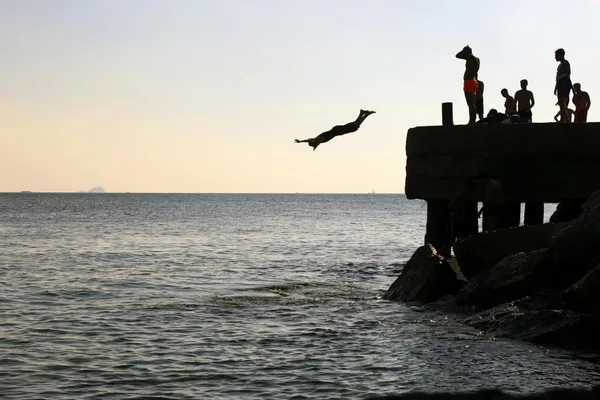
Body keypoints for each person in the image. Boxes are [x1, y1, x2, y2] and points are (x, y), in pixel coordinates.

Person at [294, 109, 375, 151]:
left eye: (314, 145)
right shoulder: (318, 140)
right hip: (337, 130)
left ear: (313, 143)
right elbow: (311, 142)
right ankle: (366, 114)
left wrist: (300, 141)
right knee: (355, 126)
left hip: (338, 131)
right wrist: (302, 142)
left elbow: (309, 140)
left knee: (354, 127)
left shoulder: (317, 139)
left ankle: (362, 113)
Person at [455, 45, 480, 124]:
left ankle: (471, 120)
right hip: (473, 81)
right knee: (472, 103)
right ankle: (472, 120)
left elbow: (457, 55)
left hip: (469, 81)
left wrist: (464, 52)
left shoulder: (471, 58)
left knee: (470, 103)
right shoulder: (476, 59)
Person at [554, 48, 572, 123]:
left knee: (562, 102)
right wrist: (556, 87)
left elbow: (567, 74)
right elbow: (557, 78)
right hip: (560, 84)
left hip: (564, 84)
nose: (555, 57)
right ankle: (562, 119)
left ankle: (567, 120)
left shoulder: (566, 63)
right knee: (560, 103)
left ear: (561, 55)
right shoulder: (560, 65)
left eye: (556, 55)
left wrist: (563, 84)